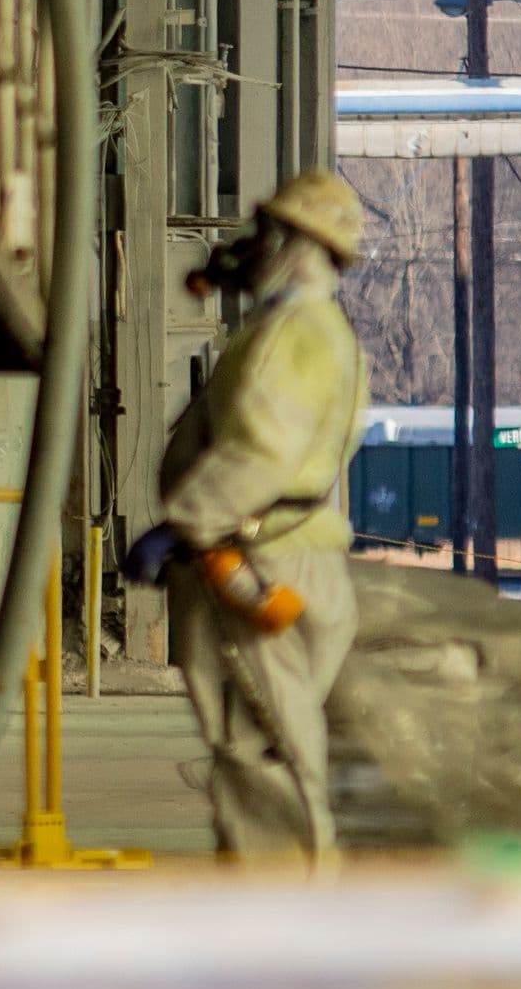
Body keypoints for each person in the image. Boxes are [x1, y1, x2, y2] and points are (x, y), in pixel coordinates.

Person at [122, 167, 368, 864]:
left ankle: (282, 902)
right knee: (270, 741)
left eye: (269, 231)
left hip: (258, 561)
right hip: (287, 550)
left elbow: (263, 454)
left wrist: (188, 525)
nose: (253, 244)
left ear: (299, 242)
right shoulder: (317, 330)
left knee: (261, 747)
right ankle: (280, 889)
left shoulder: (294, 334)